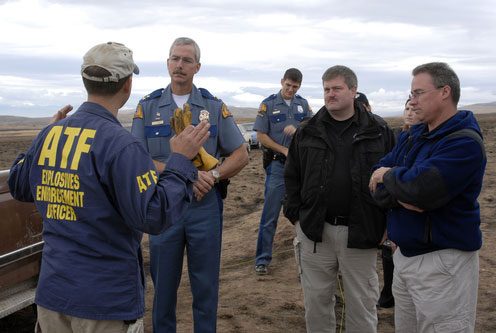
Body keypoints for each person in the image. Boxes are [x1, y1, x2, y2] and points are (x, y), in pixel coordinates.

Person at [7, 41, 211, 333]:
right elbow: (154, 216)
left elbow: (19, 186)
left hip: (53, 296)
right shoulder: (122, 145)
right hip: (104, 303)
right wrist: (180, 161)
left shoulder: (50, 135)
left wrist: (43, 138)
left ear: (85, 80)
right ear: (127, 85)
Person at [131, 37, 248, 332]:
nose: (179, 65)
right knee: (163, 290)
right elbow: (137, 158)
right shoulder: (148, 107)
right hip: (164, 207)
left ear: (197, 66)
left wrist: (215, 176)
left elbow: (241, 154)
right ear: (167, 63)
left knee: (205, 288)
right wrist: (187, 174)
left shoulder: (212, 106)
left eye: (186, 60)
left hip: (205, 207)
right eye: (175, 59)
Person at [370, 62, 486, 333]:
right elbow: (375, 182)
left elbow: (421, 192)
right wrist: (398, 186)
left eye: (419, 93)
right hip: (405, 257)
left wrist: (390, 178)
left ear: (445, 92)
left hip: (443, 265)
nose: (412, 100)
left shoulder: (463, 142)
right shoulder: (415, 137)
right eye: (411, 94)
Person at [283, 65, 395, 332]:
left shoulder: (379, 131)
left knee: (362, 305)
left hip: (361, 233)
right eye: (326, 89)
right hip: (314, 233)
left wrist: (389, 224)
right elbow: (292, 177)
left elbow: (394, 180)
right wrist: (297, 218)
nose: (330, 94)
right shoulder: (308, 130)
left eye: (336, 89)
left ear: (353, 91)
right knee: (317, 303)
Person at [253, 68, 312, 275]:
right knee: (270, 214)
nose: (290, 89)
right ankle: (262, 260)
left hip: (300, 168)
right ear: (282, 82)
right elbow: (261, 135)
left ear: (299, 87)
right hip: (277, 166)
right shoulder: (268, 104)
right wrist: (283, 149)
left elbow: (312, 127)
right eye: (287, 85)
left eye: (294, 87)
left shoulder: (303, 105)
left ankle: (308, 262)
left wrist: (299, 130)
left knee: (305, 213)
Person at [377, 97, 420, 309]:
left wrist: (390, 181)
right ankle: (388, 295)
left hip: (416, 228)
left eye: (414, 108)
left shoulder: (430, 143)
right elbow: (376, 181)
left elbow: (418, 189)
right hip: (395, 217)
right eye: (406, 108)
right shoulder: (400, 139)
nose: (410, 112)